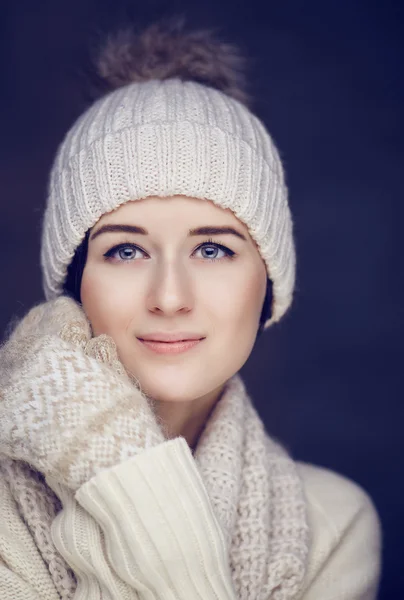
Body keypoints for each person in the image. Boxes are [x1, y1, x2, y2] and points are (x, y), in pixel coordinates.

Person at [0, 21, 382, 600]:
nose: (171, 297)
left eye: (213, 249)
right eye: (125, 250)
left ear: (269, 282)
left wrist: (121, 471)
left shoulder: (332, 523)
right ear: (77, 284)